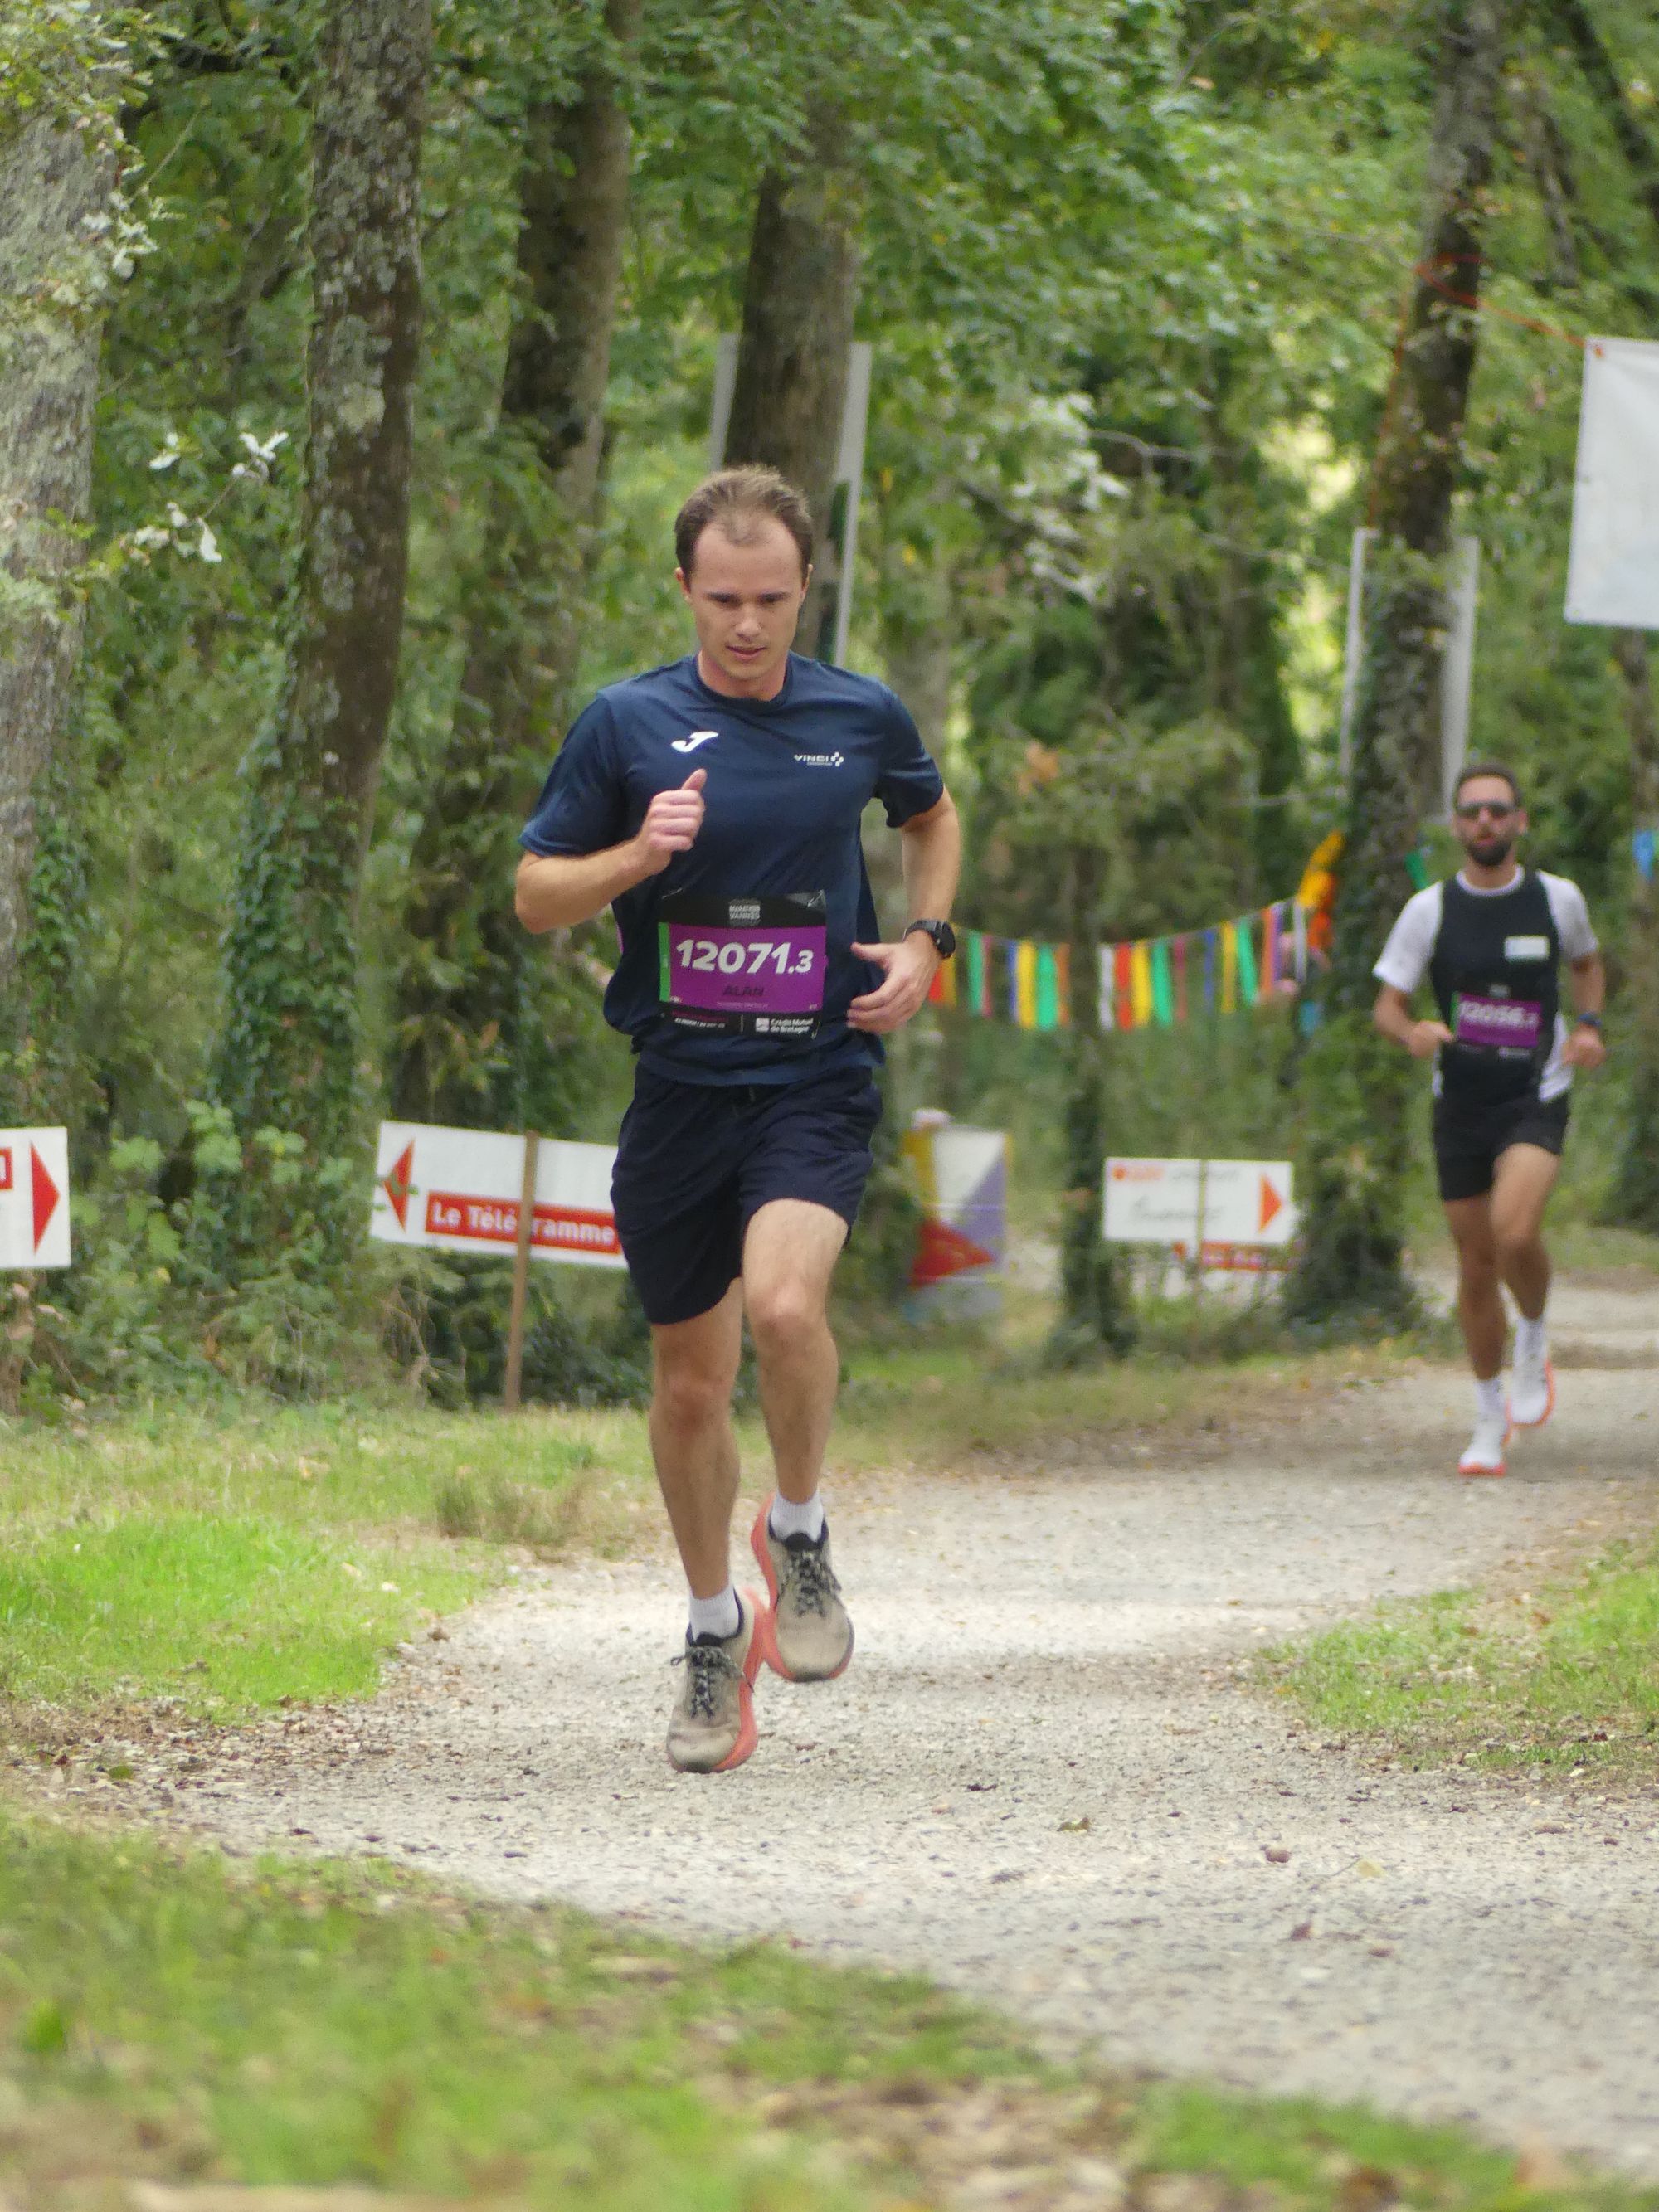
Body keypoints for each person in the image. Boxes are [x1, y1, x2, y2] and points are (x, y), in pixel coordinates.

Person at [514, 465, 960, 1772]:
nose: (748, 623)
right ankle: (715, 1627)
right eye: (723, 599)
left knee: (785, 1307)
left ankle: (800, 1528)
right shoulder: (626, 723)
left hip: (816, 1075)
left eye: (771, 598)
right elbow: (537, 894)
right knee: (692, 1384)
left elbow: (932, 817)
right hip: (679, 1091)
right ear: (684, 589)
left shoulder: (858, 713)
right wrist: (636, 857)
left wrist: (926, 940)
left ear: (806, 585)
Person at [1372, 761, 1605, 1477]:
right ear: (1455, 824)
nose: (1485, 822)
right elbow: (1387, 1004)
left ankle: (1532, 1334)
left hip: (1536, 1088)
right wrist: (1411, 1032)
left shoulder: (1556, 898)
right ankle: (1486, 1414)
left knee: (1515, 1233)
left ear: (1520, 821)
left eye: (1498, 810)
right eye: (1472, 811)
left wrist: (1589, 1025)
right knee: (1475, 1266)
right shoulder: (1429, 910)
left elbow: (1587, 964)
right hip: (1462, 1100)